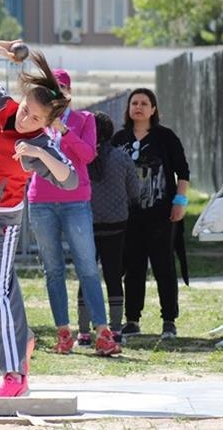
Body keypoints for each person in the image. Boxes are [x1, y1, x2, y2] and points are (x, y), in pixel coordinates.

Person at [0, 40, 78, 397]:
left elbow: (69, 179)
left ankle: (14, 374)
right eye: (26, 110)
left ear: (48, 123)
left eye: (36, 119)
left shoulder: (40, 145)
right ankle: (21, 340)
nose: (26, 119)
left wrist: (41, 152)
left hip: (0, 223)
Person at [27, 70, 120, 356]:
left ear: (69, 92)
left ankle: (102, 332)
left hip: (76, 201)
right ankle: (63, 332)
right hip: (41, 201)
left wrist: (64, 131)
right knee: (53, 269)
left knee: (87, 267)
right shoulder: (34, 120)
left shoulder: (84, 120)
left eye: (62, 88)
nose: (57, 94)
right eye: (51, 89)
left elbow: (88, 155)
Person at [113, 88, 190, 340]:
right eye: (134, 103)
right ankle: (132, 320)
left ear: (153, 109)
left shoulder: (165, 137)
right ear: (128, 108)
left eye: (144, 103)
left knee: (163, 267)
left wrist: (180, 202)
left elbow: (183, 172)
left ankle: (169, 320)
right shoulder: (119, 139)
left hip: (161, 215)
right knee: (133, 268)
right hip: (129, 216)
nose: (139, 107)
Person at [77, 111, 140, 345]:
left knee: (86, 275)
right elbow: (134, 191)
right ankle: (115, 330)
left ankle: (84, 332)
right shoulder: (121, 157)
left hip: (86, 224)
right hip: (116, 225)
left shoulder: (81, 158)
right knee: (113, 275)